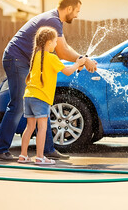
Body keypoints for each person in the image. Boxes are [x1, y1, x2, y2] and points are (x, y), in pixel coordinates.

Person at [0, 0, 97, 161]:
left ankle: (47, 149)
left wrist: (80, 59)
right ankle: (0, 149)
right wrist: (83, 60)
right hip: (16, 59)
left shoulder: (54, 20)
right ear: (69, 8)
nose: (77, 15)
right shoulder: (53, 20)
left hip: (21, 60)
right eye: (77, 11)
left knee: (41, 101)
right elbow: (62, 51)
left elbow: (64, 47)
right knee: (17, 105)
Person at [18, 27, 86, 165]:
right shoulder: (51, 57)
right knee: (42, 128)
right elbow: (67, 71)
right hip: (41, 98)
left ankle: (23, 156)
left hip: (29, 95)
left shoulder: (36, 55)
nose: (56, 44)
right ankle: (40, 157)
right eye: (55, 41)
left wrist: (76, 66)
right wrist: (78, 63)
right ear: (48, 42)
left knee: (30, 127)